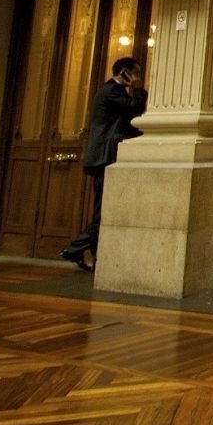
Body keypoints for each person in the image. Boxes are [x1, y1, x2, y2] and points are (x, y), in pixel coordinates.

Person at [60, 57, 146, 271]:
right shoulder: (111, 91)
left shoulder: (110, 91)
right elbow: (134, 108)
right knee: (103, 210)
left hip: (105, 156)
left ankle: (83, 252)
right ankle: (82, 250)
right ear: (125, 72)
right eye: (135, 73)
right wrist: (137, 88)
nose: (138, 77)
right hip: (105, 157)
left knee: (104, 208)